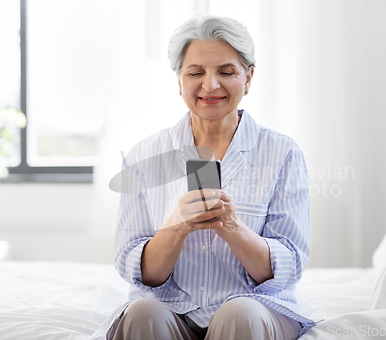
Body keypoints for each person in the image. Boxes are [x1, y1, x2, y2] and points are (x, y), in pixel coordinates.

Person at [92, 15, 315, 340]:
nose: (210, 85)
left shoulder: (283, 153)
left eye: (226, 72)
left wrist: (233, 229)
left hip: (254, 307)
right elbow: (138, 273)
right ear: (179, 81)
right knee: (142, 312)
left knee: (239, 313)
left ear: (248, 77)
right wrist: (177, 225)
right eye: (196, 72)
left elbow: (289, 267)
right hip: (170, 310)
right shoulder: (144, 156)